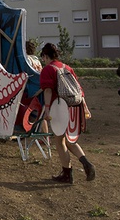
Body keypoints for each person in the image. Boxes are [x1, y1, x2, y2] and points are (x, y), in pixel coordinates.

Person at [40, 43, 95, 184]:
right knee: (70, 139)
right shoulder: (67, 68)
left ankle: (67, 173)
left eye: (44, 57)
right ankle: (86, 162)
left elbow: (47, 90)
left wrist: (46, 110)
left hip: (60, 107)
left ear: (46, 56)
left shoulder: (48, 69)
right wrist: (85, 107)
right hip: (75, 106)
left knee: (59, 141)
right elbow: (79, 89)